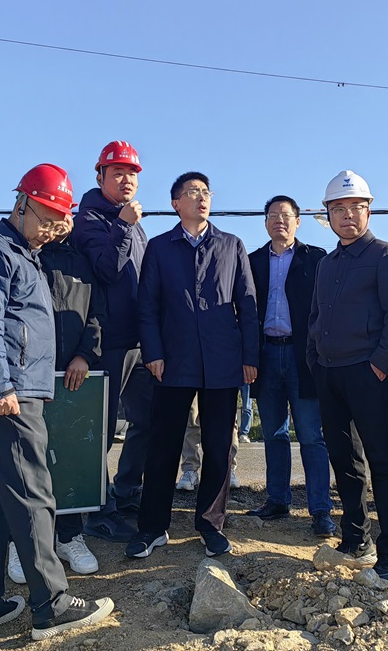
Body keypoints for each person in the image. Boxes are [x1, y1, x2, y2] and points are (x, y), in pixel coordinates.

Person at [0, 163, 112, 640]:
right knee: (34, 493)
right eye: (44, 218)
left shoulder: (26, 252)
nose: (48, 229)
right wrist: (0, 386)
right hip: (11, 394)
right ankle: (52, 604)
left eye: (56, 221)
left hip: (21, 388)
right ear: (20, 203)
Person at [126, 171, 258, 559]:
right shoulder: (160, 248)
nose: (201, 198)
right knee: (163, 446)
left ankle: (211, 524)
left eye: (206, 192)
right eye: (192, 192)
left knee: (219, 448)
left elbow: (248, 305)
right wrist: (153, 352)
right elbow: (147, 307)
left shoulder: (231, 245)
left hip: (222, 361)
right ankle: (152, 527)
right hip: (173, 361)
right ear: (175, 203)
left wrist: (249, 357)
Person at [306, 170, 388, 585]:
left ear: (368, 210)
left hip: (369, 374)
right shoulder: (326, 263)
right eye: (338, 209)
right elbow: (316, 315)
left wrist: (380, 364)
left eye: (356, 207)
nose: (347, 215)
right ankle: (355, 539)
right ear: (328, 215)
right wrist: (314, 359)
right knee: (344, 462)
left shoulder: (387, 256)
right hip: (329, 373)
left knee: (383, 462)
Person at [5, 215, 106, 581]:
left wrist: (85, 355)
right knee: (26, 462)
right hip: (28, 377)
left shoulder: (83, 264)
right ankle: (21, 542)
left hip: (73, 378)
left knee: (69, 458)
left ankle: (69, 537)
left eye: (66, 215)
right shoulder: (24, 255)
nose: (59, 223)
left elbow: (97, 316)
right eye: (52, 215)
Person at [72, 140, 153, 541]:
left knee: (148, 421)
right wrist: (121, 225)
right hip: (106, 342)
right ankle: (96, 511)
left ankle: (126, 492)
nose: (126, 180)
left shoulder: (133, 221)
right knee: (99, 432)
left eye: (132, 174)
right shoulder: (89, 218)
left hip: (140, 342)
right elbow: (106, 270)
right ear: (100, 175)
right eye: (118, 172)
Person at [246, 194, 335, 537]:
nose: (279, 220)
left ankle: (320, 509)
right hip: (266, 354)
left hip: (304, 356)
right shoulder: (253, 261)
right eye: (272, 215)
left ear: (298, 221)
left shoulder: (316, 258)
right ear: (265, 223)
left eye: (286, 215)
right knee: (273, 433)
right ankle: (277, 499)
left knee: (311, 435)